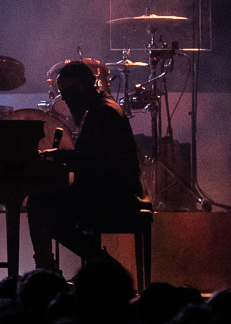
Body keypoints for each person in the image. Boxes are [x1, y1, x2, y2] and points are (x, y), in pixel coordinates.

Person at [27, 60, 146, 271]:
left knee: (39, 206)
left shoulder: (104, 113)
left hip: (112, 197)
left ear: (81, 88)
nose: (64, 98)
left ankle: (95, 262)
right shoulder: (102, 109)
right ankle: (91, 261)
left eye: (66, 92)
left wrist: (60, 155)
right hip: (110, 192)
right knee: (44, 205)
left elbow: (98, 162)